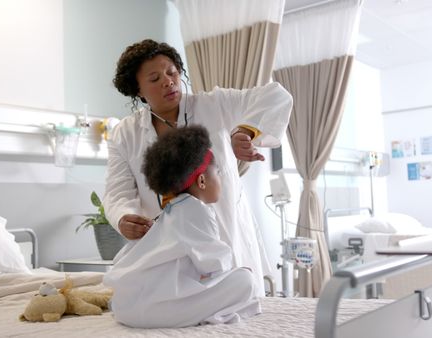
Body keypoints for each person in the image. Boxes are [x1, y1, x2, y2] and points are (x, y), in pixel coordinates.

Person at [103, 39, 292, 296]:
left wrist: (246, 130)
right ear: (138, 90)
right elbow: (118, 192)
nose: (168, 81)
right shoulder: (125, 134)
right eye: (155, 78)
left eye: (172, 72)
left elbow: (276, 95)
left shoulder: (214, 105)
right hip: (167, 247)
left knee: (234, 309)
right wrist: (123, 217)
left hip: (225, 233)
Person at [104, 126, 259, 328]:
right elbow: (214, 264)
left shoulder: (170, 210)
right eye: (218, 173)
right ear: (202, 180)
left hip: (126, 307)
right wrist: (234, 270)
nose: (220, 179)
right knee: (245, 280)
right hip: (155, 311)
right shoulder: (196, 210)